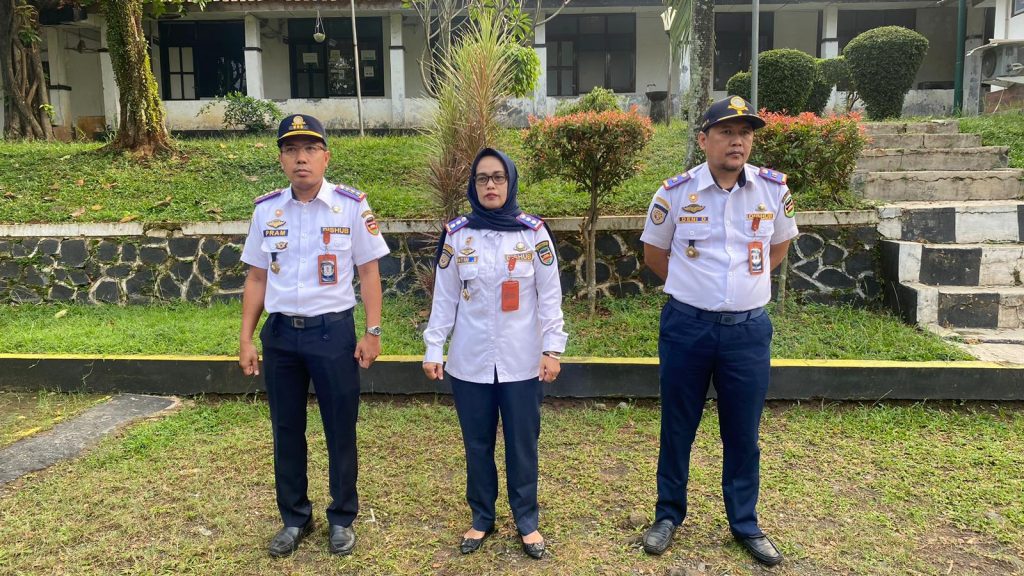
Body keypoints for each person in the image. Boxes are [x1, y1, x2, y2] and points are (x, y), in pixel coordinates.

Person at [638, 96, 798, 566]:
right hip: (687, 328)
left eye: (745, 133)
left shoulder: (772, 190)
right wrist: (696, 288)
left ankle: (745, 523)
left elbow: (779, 244)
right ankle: (668, 515)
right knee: (678, 426)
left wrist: (745, 288)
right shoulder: (675, 193)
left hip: (748, 333)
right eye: (727, 131)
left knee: (743, 432)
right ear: (703, 139)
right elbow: (654, 254)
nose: (737, 141)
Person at [238, 113, 390, 558]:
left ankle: (341, 517)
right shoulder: (267, 211)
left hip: (332, 333)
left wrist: (373, 331)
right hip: (281, 336)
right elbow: (256, 278)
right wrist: (246, 338)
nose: (300, 158)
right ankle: (294, 518)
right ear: (281, 160)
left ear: (326, 157)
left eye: (309, 149)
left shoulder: (351, 206)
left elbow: (369, 272)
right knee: (286, 429)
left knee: (340, 427)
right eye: (291, 150)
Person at [422, 148, 567, 560]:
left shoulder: (532, 233)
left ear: (511, 182)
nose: (490, 185)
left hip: (522, 361)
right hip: (470, 362)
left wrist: (552, 348)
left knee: (523, 445)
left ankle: (527, 521)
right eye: (483, 178)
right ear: (473, 185)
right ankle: (482, 517)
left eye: (498, 177)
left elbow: (550, 296)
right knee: (477, 444)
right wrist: (434, 347)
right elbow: (445, 298)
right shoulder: (458, 234)